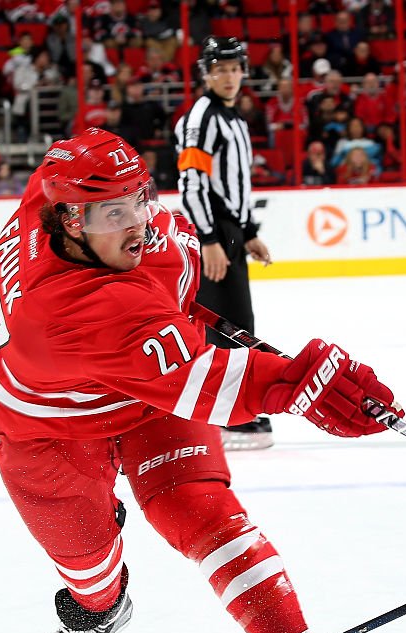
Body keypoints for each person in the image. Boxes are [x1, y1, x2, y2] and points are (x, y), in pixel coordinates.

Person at [0, 127, 402, 633]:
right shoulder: (68, 310)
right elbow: (209, 379)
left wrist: (188, 314)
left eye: (139, 198)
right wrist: (300, 383)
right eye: (114, 211)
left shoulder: (57, 202)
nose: (139, 222)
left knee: (200, 512)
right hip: (49, 429)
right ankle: (98, 610)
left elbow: (168, 335)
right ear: (70, 220)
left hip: (146, 394)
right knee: (87, 562)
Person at [175, 37, 275, 450]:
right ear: (206, 73)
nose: (230, 76)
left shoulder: (234, 119)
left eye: (235, 68)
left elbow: (238, 185)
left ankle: (237, 407)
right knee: (223, 326)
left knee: (239, 324)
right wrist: (209, 239)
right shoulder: (202, 117)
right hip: (213, 232)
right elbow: (192, 183)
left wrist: (248, 232)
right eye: (221, 68)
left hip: (230, 232)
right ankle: (224, 416)